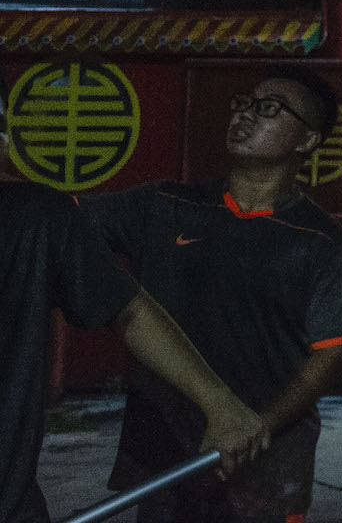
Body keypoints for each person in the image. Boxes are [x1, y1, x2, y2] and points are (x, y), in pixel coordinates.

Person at [84, 64, 342, 523]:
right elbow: (59, 221)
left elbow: (333, 353)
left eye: (270, 109)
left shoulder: (319, 240)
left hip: (263, 462)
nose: (247, 115)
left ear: (307, 141)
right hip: (166, 449)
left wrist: (255, 425)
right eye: (245, 104)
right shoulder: (164, 206)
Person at [1, 93, 268, 523]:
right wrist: (223, 405)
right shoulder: (39, 215)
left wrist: (220, 405)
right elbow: (130, 312)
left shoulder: (37, 217)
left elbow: (128, 310)